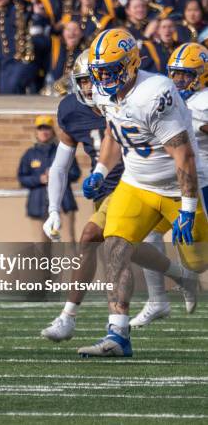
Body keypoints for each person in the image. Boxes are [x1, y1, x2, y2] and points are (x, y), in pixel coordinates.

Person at [40, 47, 194, 342]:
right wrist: (53, 210)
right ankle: (179, 277)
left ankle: (69, 318)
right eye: (83, 80)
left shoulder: (126, 99)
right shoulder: (71, 110)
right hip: (104, 190)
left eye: (91, 79)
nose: (89, 86)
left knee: (89, 238)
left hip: (133, 184)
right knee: (125, 248)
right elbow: (60, 165)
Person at [77, 28, 208, 357]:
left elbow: (183, 155)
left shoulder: (155, 92)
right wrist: (100, 170)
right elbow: (113, 131)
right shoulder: (106, 94)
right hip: (135, 185)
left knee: (199, 262)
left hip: (177, 189)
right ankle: (118, 334)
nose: (104, 76)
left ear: (132, 63)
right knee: (116, 247)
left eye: (111, 68)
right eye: (100, 70)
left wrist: (189, 208)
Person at [130, 42, 207, 327]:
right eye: (175, 74)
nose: (179, 81)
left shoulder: (202, 102)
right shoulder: (169, 96)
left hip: (202, 185)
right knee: (146, 235)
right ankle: (157, 300)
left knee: (199, 259)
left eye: (186, 75)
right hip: (175, 184)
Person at [18, 114, 80, 243]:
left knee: (68, 243)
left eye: (47, 128)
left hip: (64, 204)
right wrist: (39, 179)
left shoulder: (63, 150)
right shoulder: (30, 154)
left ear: (53, 131)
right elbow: (22, 178)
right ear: (36, 132)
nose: (44, 132)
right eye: (41, 128)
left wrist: (58, 176)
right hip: (38, 205)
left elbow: (75, 173)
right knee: (40, 247)